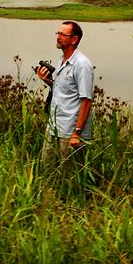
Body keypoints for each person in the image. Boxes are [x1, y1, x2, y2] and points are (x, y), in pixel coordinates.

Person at [35, 20, 95, 176]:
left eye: (62, 34)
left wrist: (77, 133)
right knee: (47, 172)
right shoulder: (61, 61)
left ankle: (73, 200)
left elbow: (87, 100)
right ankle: (49, 199)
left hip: (70, 132)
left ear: (74, 39)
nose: (58, 37)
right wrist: (48, 81)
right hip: (54, 127)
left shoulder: (82, 64)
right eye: (58, 33)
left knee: (70, 177)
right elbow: (63, 91)